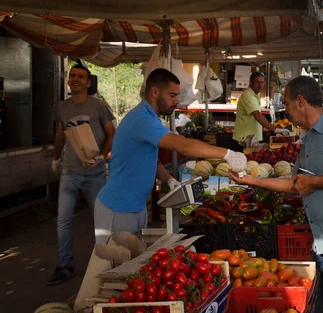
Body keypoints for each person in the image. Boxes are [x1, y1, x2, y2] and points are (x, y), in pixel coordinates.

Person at [230, 75, 323, 313]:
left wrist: (314, 182)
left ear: (300, 101)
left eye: (286, 103)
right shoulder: (309, 137)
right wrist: (252, 180)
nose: (285, 111)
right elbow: (295, 183)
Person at [94, 69, 247, 244]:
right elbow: (183, 145)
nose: (177, 100)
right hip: (117, 209)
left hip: (135, 207)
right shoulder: (141, 119)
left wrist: (169, 179)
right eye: (172, 95)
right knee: (113, 266)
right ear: (154, 92)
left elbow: (151, 159)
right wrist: (226, 153)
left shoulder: (149, 118)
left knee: (130, 263)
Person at [48, 65, 116, 285]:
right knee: (63, 220)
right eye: (73, 76)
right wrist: (56, 157)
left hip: (95, 173)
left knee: (102, 221)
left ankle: (106, 263)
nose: (75, 79)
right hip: (70, 172)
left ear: (88, 83)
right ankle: (65, 265)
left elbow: (111, 133)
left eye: (81, 77)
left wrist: (103, 156)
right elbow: (60, 133)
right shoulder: (62, 106)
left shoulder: (98, 106)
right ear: (69, 81)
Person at [232, 72, 285, 148]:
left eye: (262, 82)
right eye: (257, 82)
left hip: (252, 139)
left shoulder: (256, 94)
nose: (260, 85)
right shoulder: (247, 95)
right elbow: (258, 116)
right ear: (251, 83)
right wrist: (274, 129)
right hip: (244, 140)